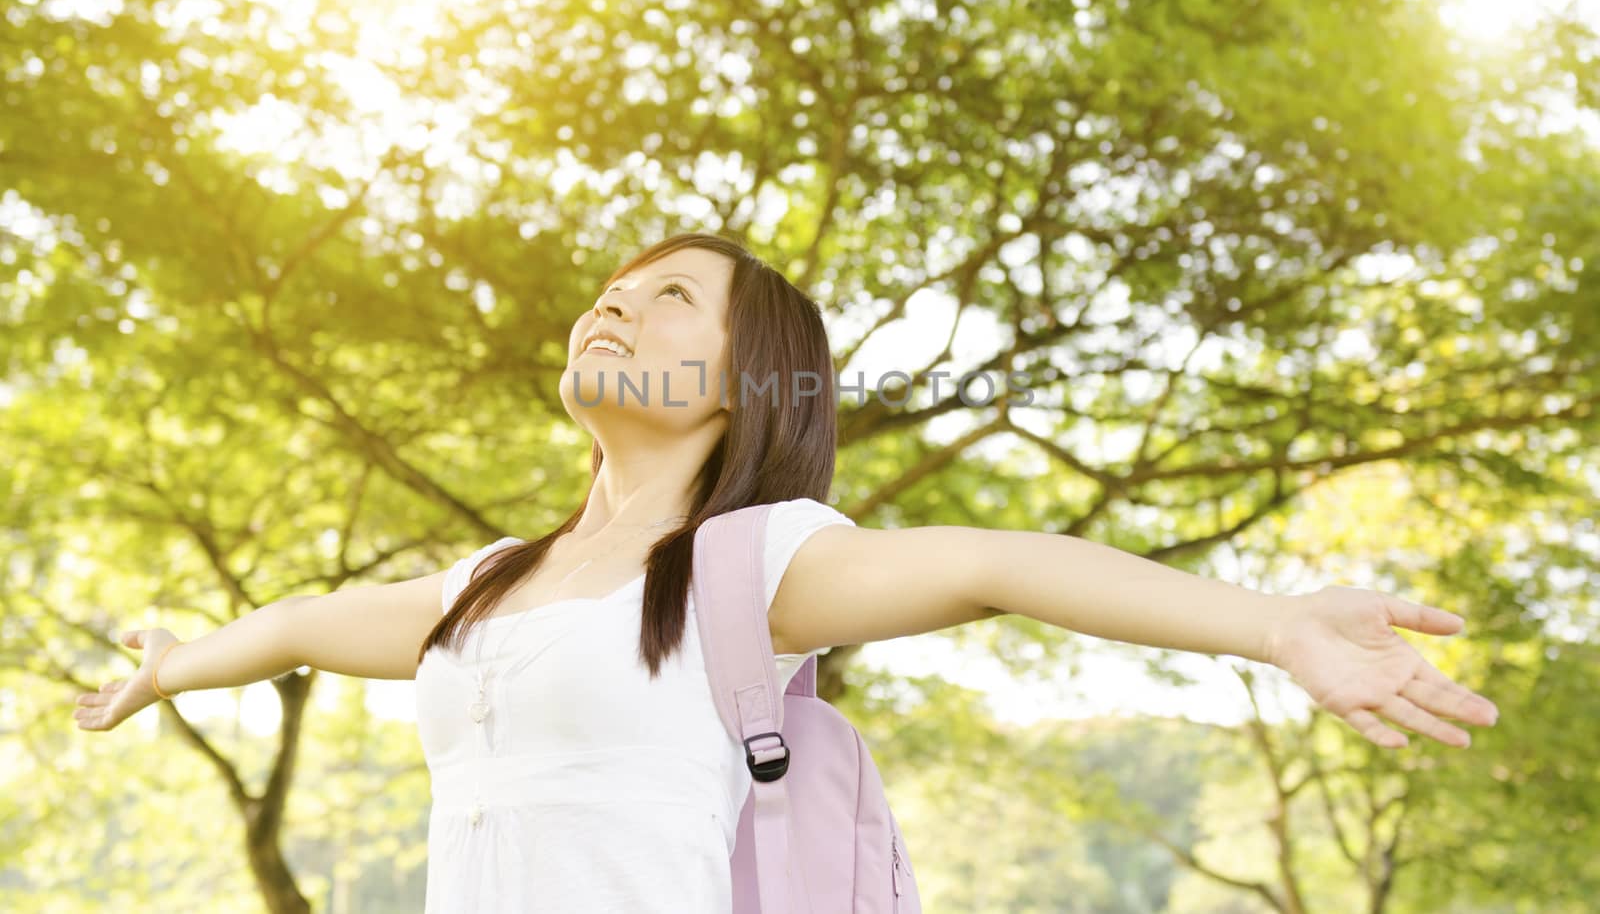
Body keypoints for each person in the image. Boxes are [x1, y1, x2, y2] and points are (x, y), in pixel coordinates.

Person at [74, 232, 1500, 912]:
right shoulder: (490, 585)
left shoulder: (754, 567)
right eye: (610, 291)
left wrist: (1272, 627)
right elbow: (319, 623)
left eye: (669, 297)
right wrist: (177, 664)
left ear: (747, 381)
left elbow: (999, 564)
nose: (616, 303)